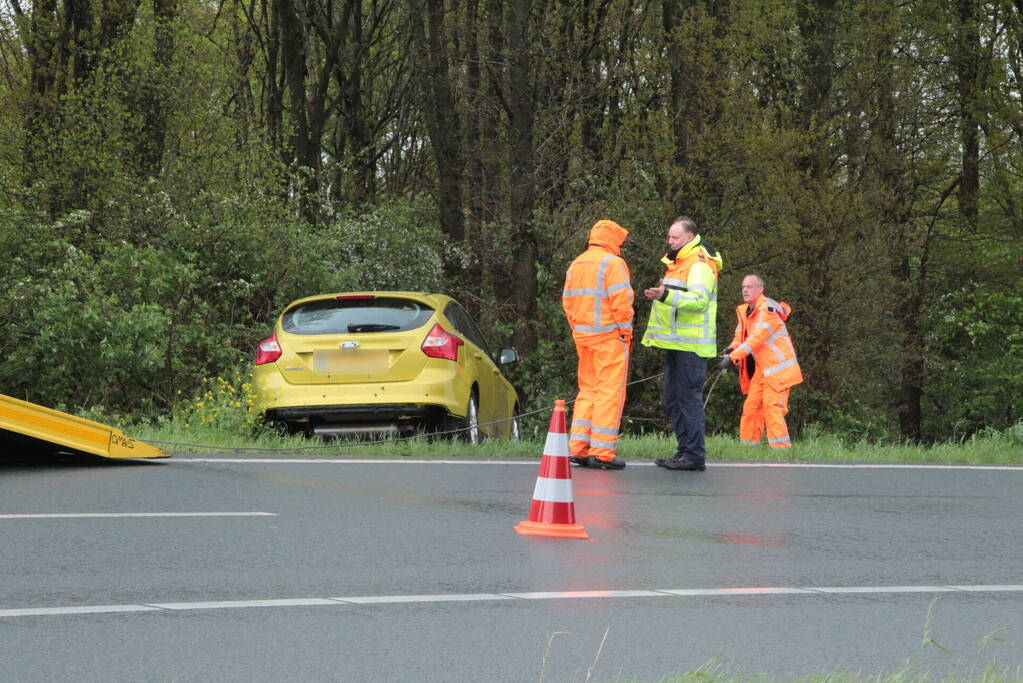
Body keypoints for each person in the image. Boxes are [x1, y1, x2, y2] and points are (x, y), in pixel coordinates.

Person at [642, 216, 722, 472]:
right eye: (669, 236)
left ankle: (694, 455)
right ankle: (683, 451)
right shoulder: (678, 262)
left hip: (693, 346)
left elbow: (698, 300)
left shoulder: (698, 264)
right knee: (674, 399)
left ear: (689, 237)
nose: (670, 241)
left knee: (688, 400)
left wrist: (664, 294)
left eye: (674, 237)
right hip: (678, 345)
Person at [562, 219, 634, 470]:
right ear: (612, 239)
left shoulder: (576, 264)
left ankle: (578, 448)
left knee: (588, 391)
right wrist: (625, 332)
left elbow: (568, 303)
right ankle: (602, 452)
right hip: (609, 339)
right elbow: (622, 302)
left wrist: (577, 331)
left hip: (584, 339)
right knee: (609, 393)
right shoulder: (613, 263)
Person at [721, 274, 803, 448]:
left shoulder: (767, 310)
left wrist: (733, 357)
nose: (745, 290)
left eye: (749, 286)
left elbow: (757, 338)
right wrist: (731, 349)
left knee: (772, 407)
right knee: (752, 408)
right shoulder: (745, 312)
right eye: (743, 287)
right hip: (763, 369)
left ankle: (781, 450)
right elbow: (740, 338)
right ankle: (748, 449)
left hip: (779, 369)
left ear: (760, 289)